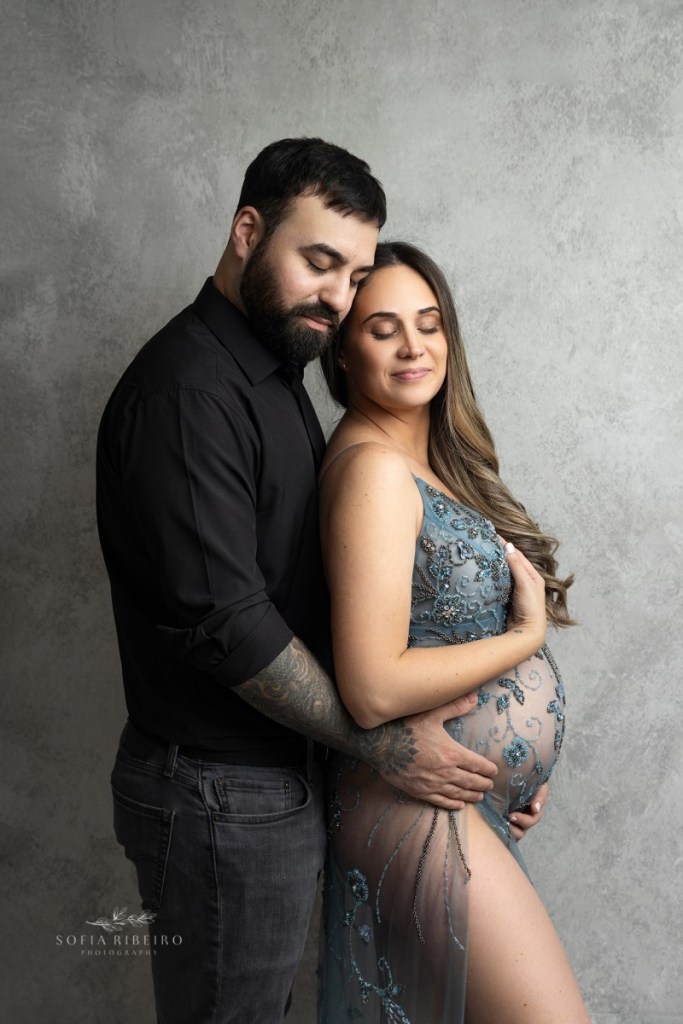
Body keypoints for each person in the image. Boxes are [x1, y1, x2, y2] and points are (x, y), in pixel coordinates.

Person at [95, 140, 511, 1024]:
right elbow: (230, 625)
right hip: (219, 794)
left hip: (266, 784)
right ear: (248, 231)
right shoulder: (188, 393)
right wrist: (388, 749)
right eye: (319, 262)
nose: (338, 294)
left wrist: (500, 754)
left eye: (354, 273)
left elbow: (319, 596)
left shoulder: (271, 367)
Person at [317, 241, 590, 1023]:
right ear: (341, 351)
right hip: (410, 805)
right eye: (383, 329)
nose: (413, 346)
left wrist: (509, 770)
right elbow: (371, 687)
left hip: (462, 805)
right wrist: (524, 637)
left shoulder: (425, 460)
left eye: (429, 324)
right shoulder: (371, 469)